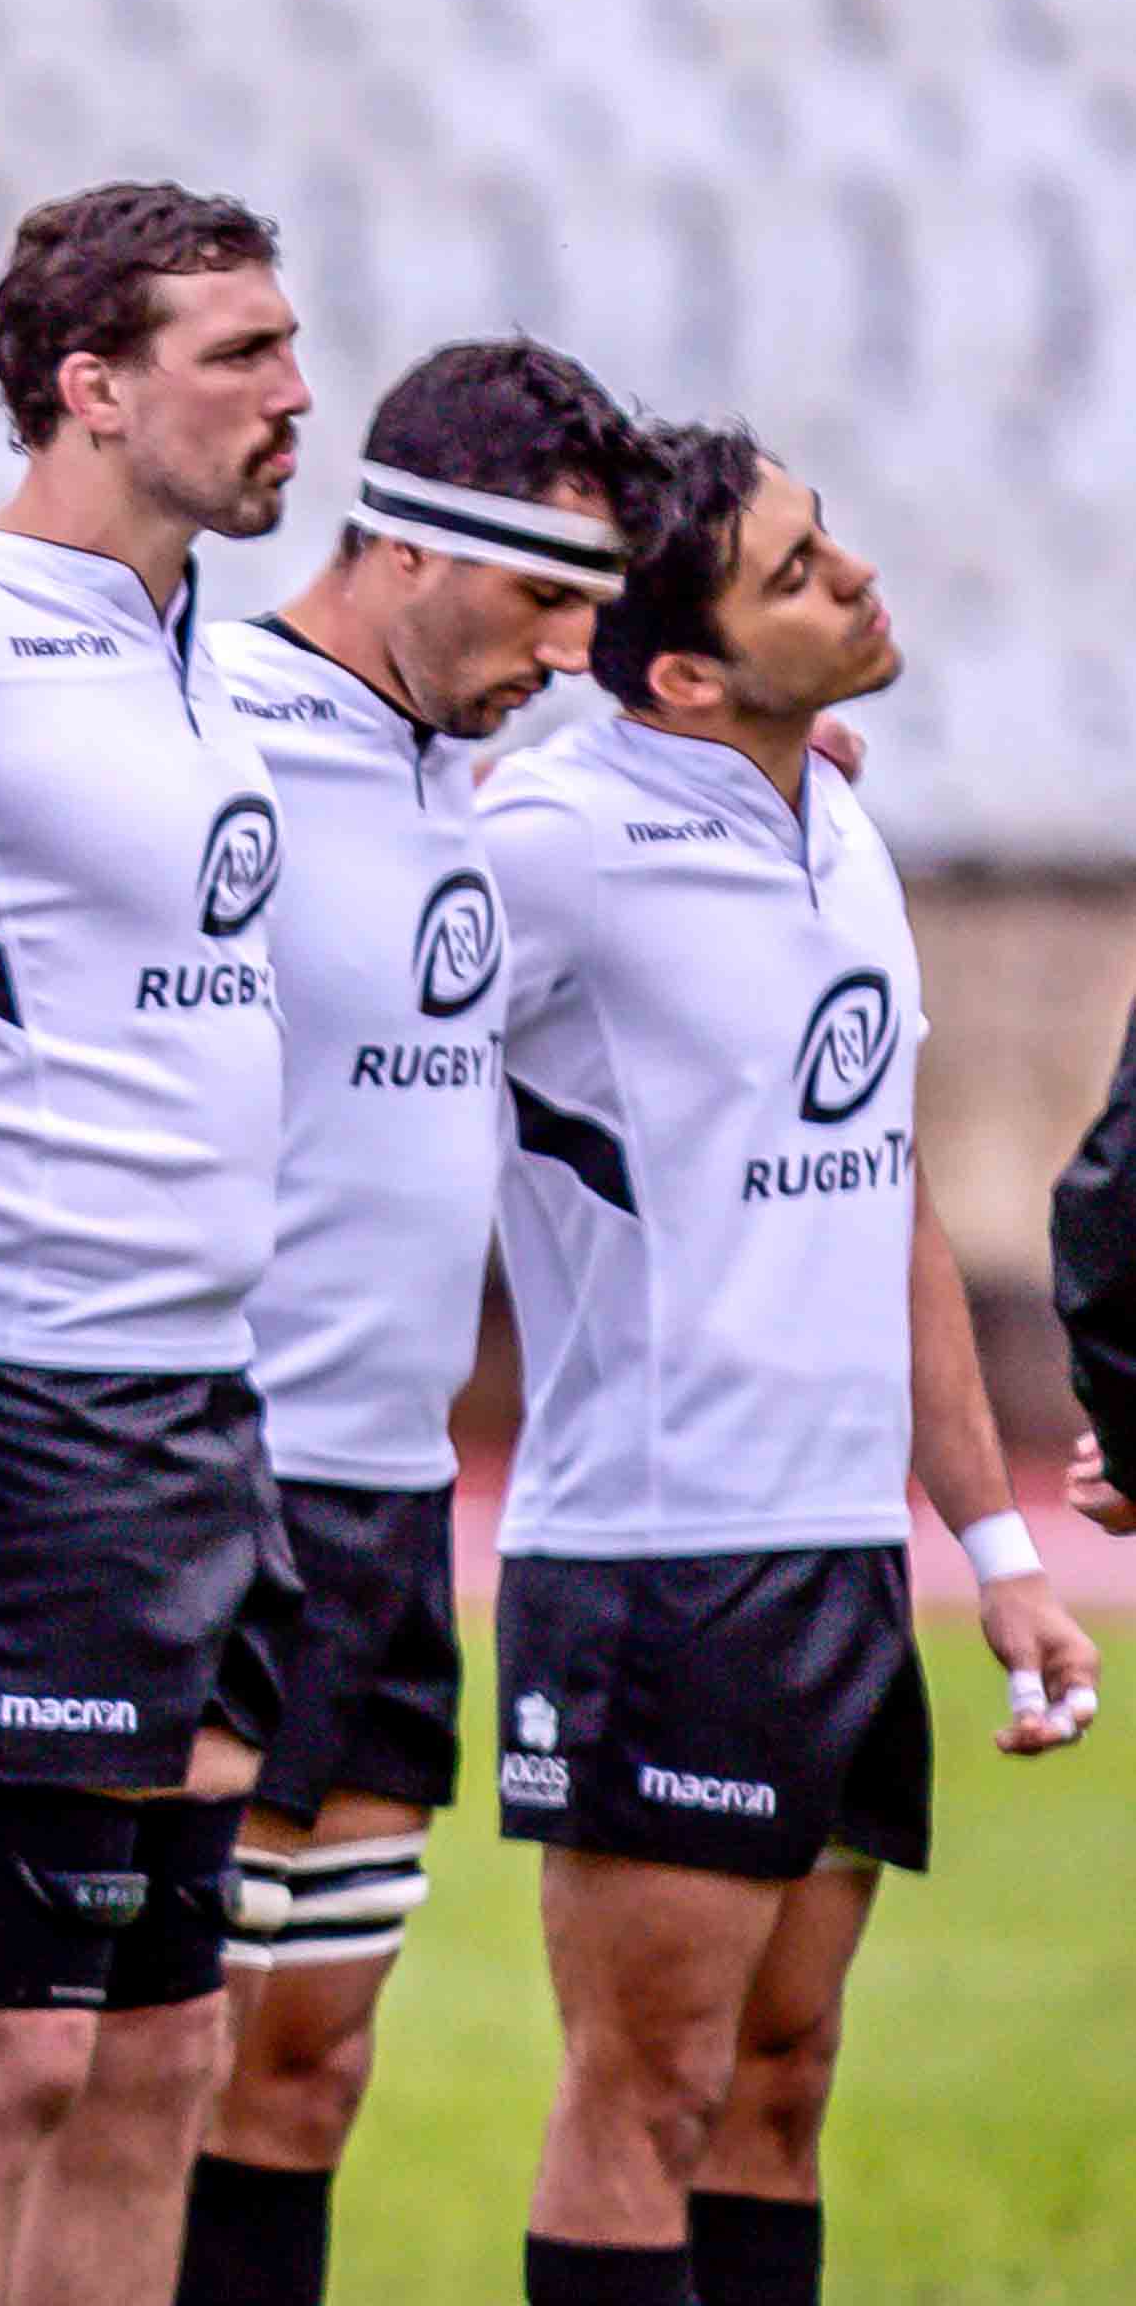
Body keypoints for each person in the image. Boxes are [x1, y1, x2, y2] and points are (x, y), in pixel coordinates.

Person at [482, 424, 1099, 2306]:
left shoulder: (835, 820)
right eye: (796, 575)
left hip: (838, 1556)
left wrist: (993, 1552)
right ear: (682, 672)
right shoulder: (548, 841)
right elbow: (333, 1013)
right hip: (658, 1559)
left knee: (781, 2088)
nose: (855, 581)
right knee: (646, 2092)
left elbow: (884, 1194)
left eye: (830, 543)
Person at [0, 181, 309, 2306]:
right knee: (1, 2035)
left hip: (195, 1395)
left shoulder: (195, 647)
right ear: (88, 389)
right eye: (239, 357)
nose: (294, 397)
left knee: (162, 2038)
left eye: (291, 347)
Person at [168, 339, 649, 2306]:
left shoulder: (466, 778)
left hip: (381, 1493)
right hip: (201, 1476)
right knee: (122, 2064)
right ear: (400, 540)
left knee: (305, 2068)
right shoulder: (208, 733)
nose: (568, 647)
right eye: (541, 595)